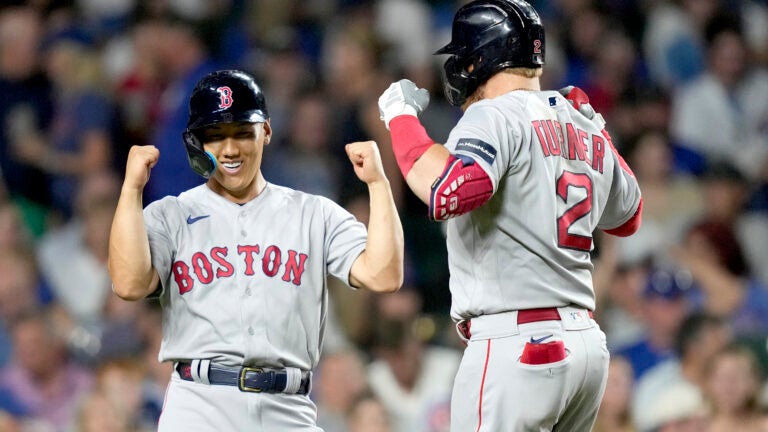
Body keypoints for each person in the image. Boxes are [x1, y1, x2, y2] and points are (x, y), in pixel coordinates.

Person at [375, 1, 643, 430]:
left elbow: (449, 192)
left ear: (478, 59)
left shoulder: (493, 113)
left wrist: (400, 118)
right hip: (586, 350)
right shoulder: (580, 120)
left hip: (519, 345)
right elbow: (627, 216)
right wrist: (601, 137)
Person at [107, 69, 404, 431]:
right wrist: (131, 190)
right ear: (196, 143)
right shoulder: (171, 215)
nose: (230, 149)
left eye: (241, 133)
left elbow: (384, 274)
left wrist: (378, 182)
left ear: (265, 131)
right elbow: (129, 284)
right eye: (215, 136)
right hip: (200, 404)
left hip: (289, 407)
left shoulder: (313, 213)